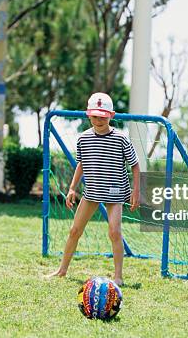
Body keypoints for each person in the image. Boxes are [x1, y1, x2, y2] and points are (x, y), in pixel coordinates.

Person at [47, 93, 140, 286]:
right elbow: (81, 164)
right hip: (92, 192)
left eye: (103, 116)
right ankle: (62, 270)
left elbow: (135, 165)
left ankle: (118, 277)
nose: (99, 120)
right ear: (88, 115)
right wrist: (72, 188)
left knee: (114, 232)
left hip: (115, 193)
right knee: (74, 230)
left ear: (111, 115)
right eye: (95, 116)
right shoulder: (84, 139)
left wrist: (135, 190)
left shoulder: (121, 139)